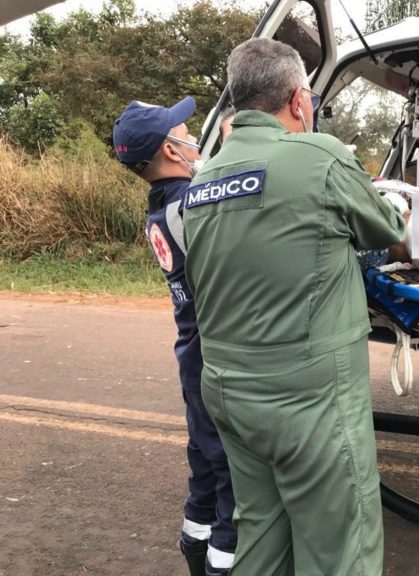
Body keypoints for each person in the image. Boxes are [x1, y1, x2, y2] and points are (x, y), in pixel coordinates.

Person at [182, 37, 405, 576]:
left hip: (229, 390)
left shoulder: (204, 178)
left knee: (262, 528)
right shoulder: (318, 156)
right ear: (299, 99)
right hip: (308, 397)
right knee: (340, 543)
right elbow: (393, 232)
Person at [112, 98, 236, 576]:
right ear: (172, 149)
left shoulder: (160, 207)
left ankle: (195, 543)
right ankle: (224, 563)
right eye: (186, 132)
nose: (194, 139)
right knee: (229, 472)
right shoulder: (191, 204)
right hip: (213, 354)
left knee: (204, 463)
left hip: (191, 350)